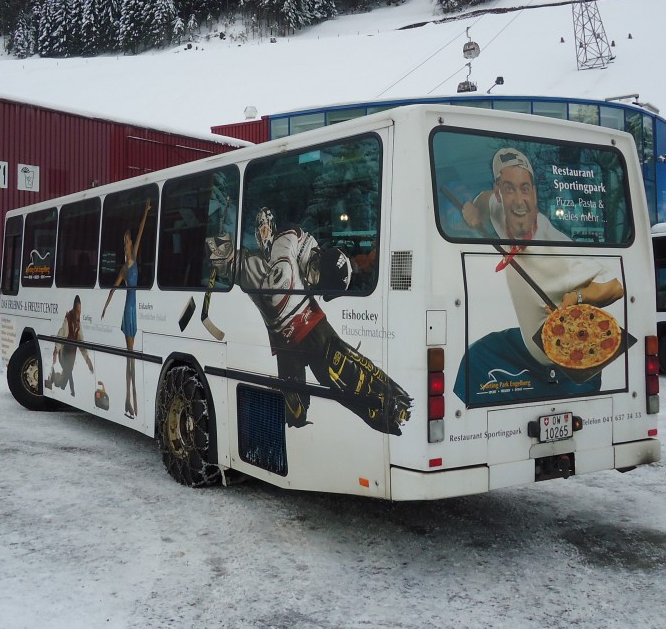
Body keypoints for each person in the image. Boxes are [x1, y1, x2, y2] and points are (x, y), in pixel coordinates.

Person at [454, 147, 624, 402]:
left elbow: (615, 286)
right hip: (528, 348)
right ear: (499, 192)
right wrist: (474, 211)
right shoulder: (500, 210)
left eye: (525, 189)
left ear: (534, 193)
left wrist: (576, 298)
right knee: (475, 359)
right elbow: (484, 199)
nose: (519, 200)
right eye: (509, 188)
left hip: (569, 364)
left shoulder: (554, 246)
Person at [230, 206, 411, 435]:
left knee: (340, 374)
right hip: (285, 338)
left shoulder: (300, 248)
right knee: (296, 412)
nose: (315, 285)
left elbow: (281, 281)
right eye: (319, 281)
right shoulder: (288, 244)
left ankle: (390, 401)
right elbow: (277, 283)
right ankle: (385, 403)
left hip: (309, 327)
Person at [103, 199, 151, 419]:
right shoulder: (123, 268)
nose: (127, 246)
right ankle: (131, 402)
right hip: (127, 312)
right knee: (130, 358)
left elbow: (141, 232)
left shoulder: (132, 261)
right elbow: (113, 288)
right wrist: (105, 307)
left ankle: (129, 401)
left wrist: (145, 212)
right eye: (125, 244)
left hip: (133, 310)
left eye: (128, 243)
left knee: (131, 358)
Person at [45, 295, 94, 395]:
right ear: (73, 309)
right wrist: (56, 351)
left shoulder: (78, 323)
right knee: (68, 372)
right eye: (77, 311)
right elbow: (62, 334)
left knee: (63, 384)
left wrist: (87, 359)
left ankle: (55, 378)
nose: (78, 314)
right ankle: (73, 391)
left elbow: (81, 342)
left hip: (72, 354)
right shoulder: (68, 318)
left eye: (79, 312)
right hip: (64, 353)